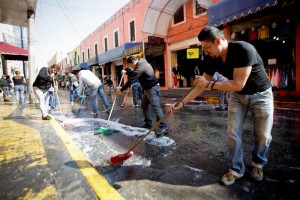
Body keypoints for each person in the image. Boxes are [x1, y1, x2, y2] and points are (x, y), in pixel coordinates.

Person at [171, 26, 273, 186]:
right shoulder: (213, 60)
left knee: (263, 135)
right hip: (238, 97)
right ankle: (236, 170)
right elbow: (200, 86)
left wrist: (210, 84)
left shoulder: (243, 49)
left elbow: (238, 84)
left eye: (207, 47)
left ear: (217, 41)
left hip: (261, 95)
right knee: (233, 132)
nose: (206, 52)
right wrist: (182, 102)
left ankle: (258, 164)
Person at [116, 55, 168, 137]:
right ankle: (148, 122)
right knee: (144, 106)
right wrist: (127, 72)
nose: (131, 67)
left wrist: (121, 89)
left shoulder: (141, 66)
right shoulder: (140, 63)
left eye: (131, 65)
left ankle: (164, 127)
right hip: (148, 89)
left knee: (156, 107)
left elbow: (132, 79)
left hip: (152, 88)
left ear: (133, 62)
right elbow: (134, 73)